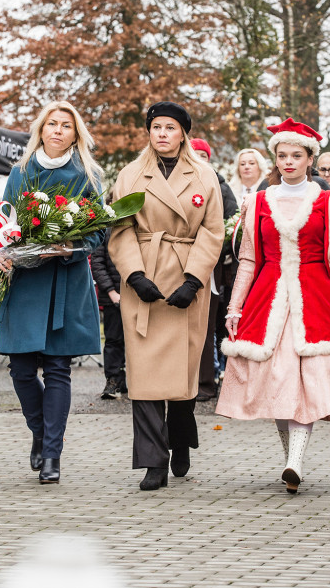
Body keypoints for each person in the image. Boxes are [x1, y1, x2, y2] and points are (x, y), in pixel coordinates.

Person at [217, 119, 330, 494]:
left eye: (296, 155)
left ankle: (295, 461)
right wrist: (234, 307)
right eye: (282, 155)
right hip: (267, 300)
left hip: (315, 299)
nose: (288, 161)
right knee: (277, 382)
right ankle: (291, 461)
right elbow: (248, 260)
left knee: (306, 383)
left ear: (310, 158)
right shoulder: (257, 202)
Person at [109, 101, 223, 491]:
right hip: (144, 279)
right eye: (156, 126)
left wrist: (194, 280)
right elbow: (120, 229)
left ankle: (180, 437)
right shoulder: (130, 174)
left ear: (183, 133)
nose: (162, 133)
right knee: (144, 377)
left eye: (170, 127)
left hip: (187, 280)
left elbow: (213, 232)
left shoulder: (204, 175)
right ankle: (153, 462)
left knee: (182, 372)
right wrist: (134, 274)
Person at [0, 100, 105, 485]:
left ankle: (52, 454)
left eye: (66, 125)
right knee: (21, 369)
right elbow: (5, 221)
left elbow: (99, 230)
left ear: (76, 135)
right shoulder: (20, 172)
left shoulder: (88, 174)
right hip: (25, 281)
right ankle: (40, 432)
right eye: (52, 123)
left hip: (65, 280)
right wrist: (2, 252)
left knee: (58, 368)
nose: (58, 130)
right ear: (41, 129)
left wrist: (69, 247)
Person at [189, 137, 238, 401]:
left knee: (206, 326)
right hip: (177, 261)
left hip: (211, 265)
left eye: (203, 156)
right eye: (193, 154)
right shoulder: (179, 182)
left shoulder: (220, 186)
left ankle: (205, 383)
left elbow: (232, 225)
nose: (198, 160)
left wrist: (214, 249)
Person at [91, 227, 126, 399]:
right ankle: (113, 381)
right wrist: (112, 292)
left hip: (139, 295)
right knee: (113, 340)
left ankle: (135, 381)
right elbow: (97, 263)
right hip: (112, 297)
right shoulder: (105, 230)